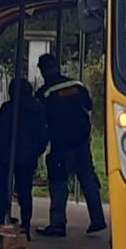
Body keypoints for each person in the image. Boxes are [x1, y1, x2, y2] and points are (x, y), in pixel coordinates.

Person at [35, 53, 107, 237]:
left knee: (58, 183)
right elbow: (89, 106)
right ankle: (97, 219)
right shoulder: (77, 86)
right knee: (88, 180)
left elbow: (40, 121)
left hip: (60, 145)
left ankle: (58, 225)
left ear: (43, 71)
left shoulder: (44, 93)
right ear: (58, 66)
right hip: (82, 142)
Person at [0, 76, 48, 229]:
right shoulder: (37, 108)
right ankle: (26, 223)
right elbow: (43, 133)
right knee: (24, 190)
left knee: (3, 188)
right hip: (26, 156)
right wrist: (37, 151)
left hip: (7, 155)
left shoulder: (8, 108)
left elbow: (1, 133)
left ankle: (1, 218)